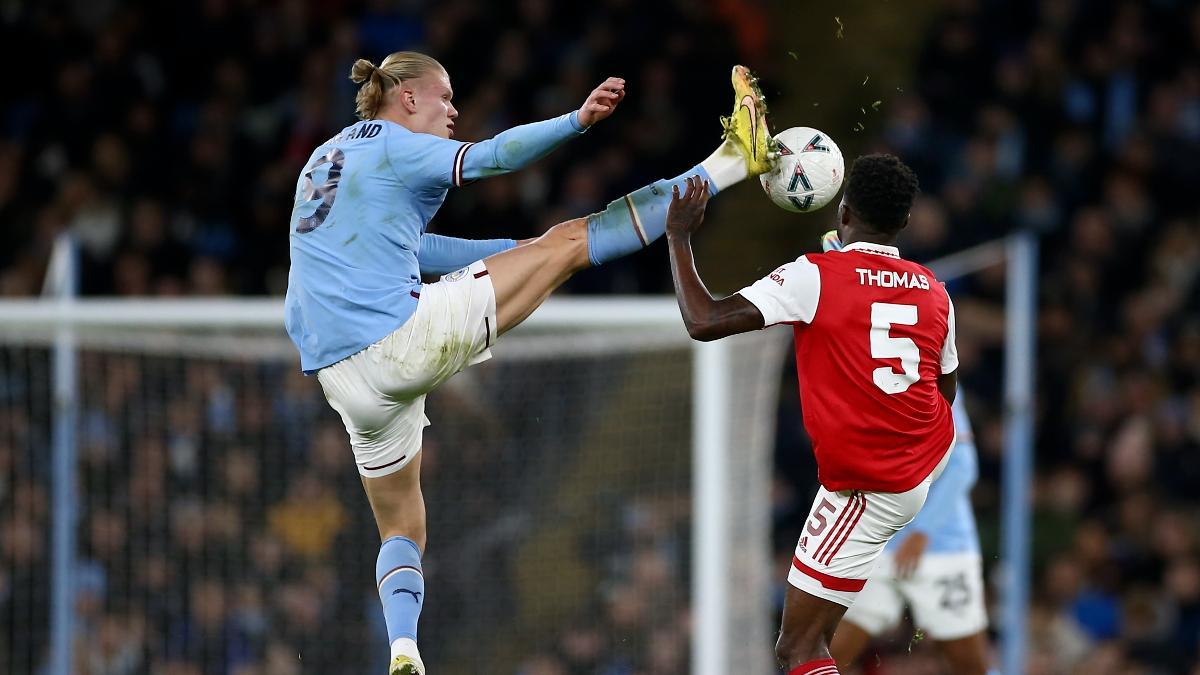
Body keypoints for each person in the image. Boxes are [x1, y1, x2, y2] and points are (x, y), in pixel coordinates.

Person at [283, 50, 776, 675]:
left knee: (401, 524)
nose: (454, 111)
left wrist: (518, 253)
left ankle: (403, 649)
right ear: (407, 98)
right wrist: (576, 120)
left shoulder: (327, 157)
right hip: (396, 337)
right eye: (445, 97)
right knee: (573, 242)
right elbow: (493, 158)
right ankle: (733, 162)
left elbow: (419, 246)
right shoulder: (392, 142)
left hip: (341, 377)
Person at [662, 154, 957, 675]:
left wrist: (680, 237)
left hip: (870, 486)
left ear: (842, 212)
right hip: (923, 456)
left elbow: (703, 320)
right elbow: (945, 389)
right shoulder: (936, 292)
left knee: (795, 649)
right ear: (905, 223)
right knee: (815, 640)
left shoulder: (813, 276)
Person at [830, 391, 992, 674]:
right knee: (830, 657)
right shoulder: (855, 378)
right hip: (876, 544)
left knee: (969, 664)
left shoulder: (933, 379)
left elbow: (962, 465)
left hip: (940, 548)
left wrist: (922, 531)